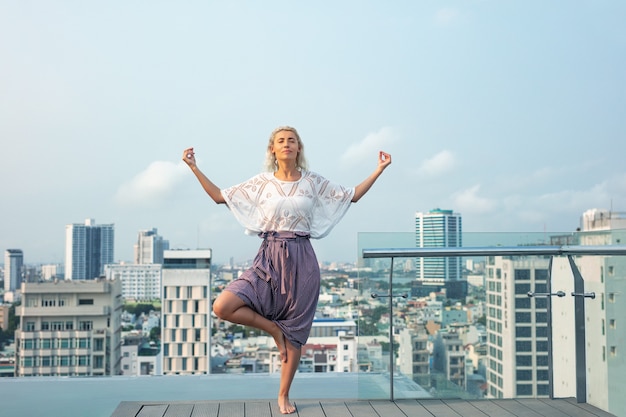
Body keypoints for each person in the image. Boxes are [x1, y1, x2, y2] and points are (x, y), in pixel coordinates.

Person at [182, 126, 391, 414]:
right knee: (223, 305)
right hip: (268, 256)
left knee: (295, 331)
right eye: (281, 141)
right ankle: (273, 330)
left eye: (292, 140)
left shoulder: (313, 182)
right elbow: (220, 196)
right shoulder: (262, 183)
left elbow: (351, 196)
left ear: (299, 148)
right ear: (272, 149)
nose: (287, 144)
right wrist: (194, 167)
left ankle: (283, 396)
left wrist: (379, 169)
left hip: (302, 257)